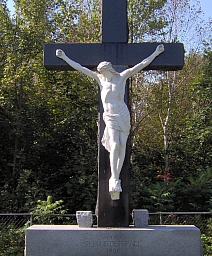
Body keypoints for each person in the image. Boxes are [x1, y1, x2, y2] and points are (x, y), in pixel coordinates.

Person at [56, 44, 165, 197]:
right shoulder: (100, 79)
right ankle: (114, 178)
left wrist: (156, 53)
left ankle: (117, 176)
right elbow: (80, 68)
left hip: (122, 114)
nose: (102, 74)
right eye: (101, 72)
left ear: (109, 69)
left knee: (122, 146)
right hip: (109, 116)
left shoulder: (122, 77)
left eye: (104, 71)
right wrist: (64, 57)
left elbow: (141, 64)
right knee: (114, 144)